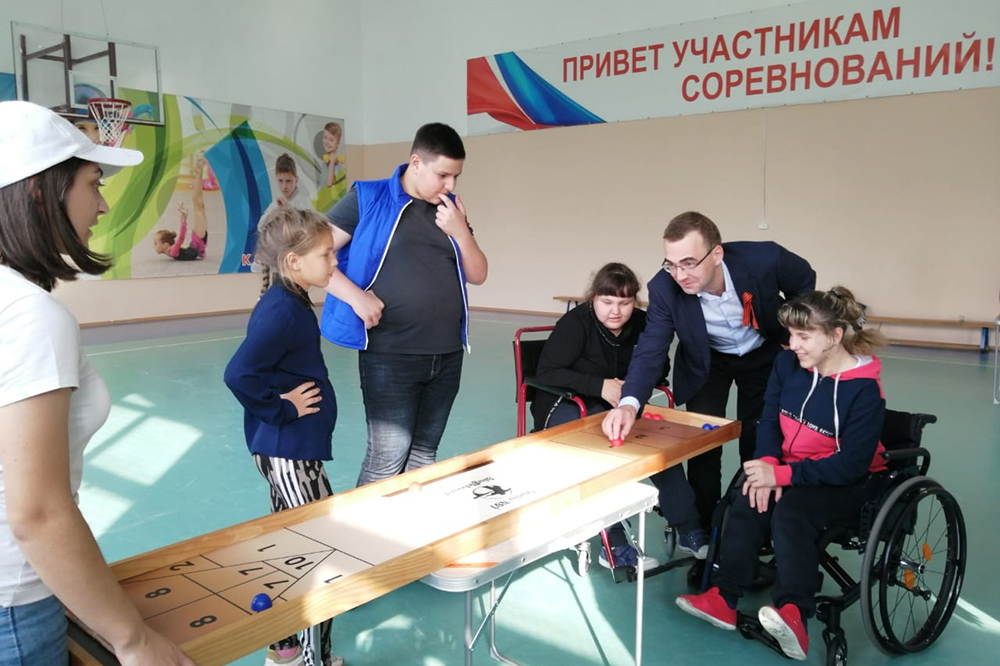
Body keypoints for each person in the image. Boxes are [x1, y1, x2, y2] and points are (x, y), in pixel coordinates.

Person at [0, 100, 193, 665]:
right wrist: (134, 640)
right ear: (40, 192)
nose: (103, 205)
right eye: (93, 183)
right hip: (14, 606)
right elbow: (37, 512)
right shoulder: (29, 315)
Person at [675, 287, 887, 661]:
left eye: (804, 336)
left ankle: (794, 614)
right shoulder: (786, 364)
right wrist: (770, 464)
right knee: (748, 493)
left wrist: (783, 478)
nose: (793, 344)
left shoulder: (865, 390)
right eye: (791, 335)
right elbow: (769, 419)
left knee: (792, 511)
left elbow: (851, 465)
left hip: (848, 482)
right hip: (790, 467)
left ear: (835, 335)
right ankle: (723, 597)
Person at [603, 211, 815, 571]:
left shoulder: (765, 259)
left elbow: (805, 281)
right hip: (708, 362)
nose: (680, 274)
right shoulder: (664, 288)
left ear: (716, 254)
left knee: (758, 440)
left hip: (762, 353)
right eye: (671, 264)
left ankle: (755, 526)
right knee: (704, 444)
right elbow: (651, 349)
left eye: (689, 263)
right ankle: (704, 529)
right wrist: (629, 404)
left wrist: (792, 333)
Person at [320, 122, 488, 486]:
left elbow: (478, 274)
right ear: (416, 163)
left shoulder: (450, 210)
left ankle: (409, 524)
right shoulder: (368, 197)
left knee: (424, 458)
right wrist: (355, 297)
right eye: (442, 175)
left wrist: (460, 230)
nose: (450, 185)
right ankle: (360, 525)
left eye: (456, 176)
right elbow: (309, 255)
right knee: (386, 460)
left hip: (447, 355)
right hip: (390, 354)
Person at [223, 206, 344, 666]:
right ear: (294, 261)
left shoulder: (289, 300)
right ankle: (311, 660)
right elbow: (239, 373)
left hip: (289, 450)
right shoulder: (282, 310)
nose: (334, 261)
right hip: (288, 453)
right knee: (317, 552)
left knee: (290, 547)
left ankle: (285, 646)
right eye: (326, 254)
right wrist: (282, 408)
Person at [532, 262, 707, 570]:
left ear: (634, 302)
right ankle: (612, 541)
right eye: (607, 302)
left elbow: (660, 365)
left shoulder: (641, 322)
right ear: (593, 299)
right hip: (567, 403)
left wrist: (631, 387)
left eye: (624, 303)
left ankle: (688, 525)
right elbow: (547, 372)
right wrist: (600, 385)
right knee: (606, 446)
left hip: (618, 404)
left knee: (657, 444)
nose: (616, 311)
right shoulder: (575, 323)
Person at [153, 154, 209, 261]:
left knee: (199, 205)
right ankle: (198, 172)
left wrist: (184, 220)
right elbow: (181, 241)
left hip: (197, 243)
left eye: (156, 243)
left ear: (164, 245)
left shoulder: (173, 252)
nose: (154, 246)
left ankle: (199, 171)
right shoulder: (171, 251)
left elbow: (181, 238)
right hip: (197, 244)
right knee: (199, 206)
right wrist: (184, 219)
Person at [322, 122, 345, 189]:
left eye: (331, 140)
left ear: (338, 143)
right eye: (325, 137)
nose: (327, 142)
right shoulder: (324, 161)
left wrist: (332, 162)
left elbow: (329, 184)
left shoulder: (338, 165)